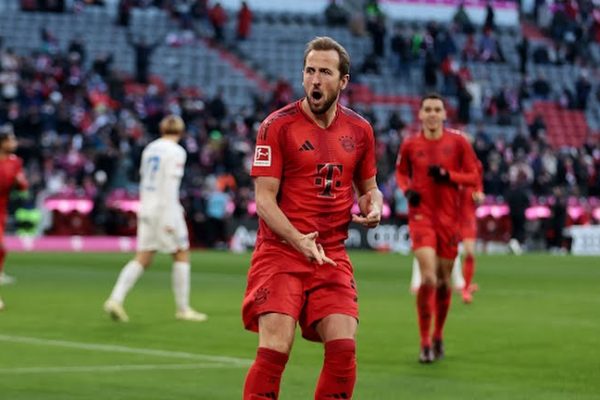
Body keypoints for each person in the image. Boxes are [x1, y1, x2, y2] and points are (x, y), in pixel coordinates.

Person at [242, 36, 382, 400]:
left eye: (325, 72)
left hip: (331, 254)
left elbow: (369, 188)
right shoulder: (276, 126)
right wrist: (297, 239)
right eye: (309, 71)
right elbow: (264, 200)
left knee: (344, 348)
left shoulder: (360, 130)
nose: (315, 80)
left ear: (343, 81)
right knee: (276, 347)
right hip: (280, 252)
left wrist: (374, 206)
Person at [396, 93, 480, 363]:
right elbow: (401, 172)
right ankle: (424, 343)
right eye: (428, 109)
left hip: (449, 220)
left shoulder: (458, 143)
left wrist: (448, 176)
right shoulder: (410, 144)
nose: (432, 114)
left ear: (444, 114)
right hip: (421, 217)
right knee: (429, 278)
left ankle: (438, 335)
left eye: (437, 109)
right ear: (420, 114)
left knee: (444, 282)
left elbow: (474, 176)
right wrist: (407, 191)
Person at [103, 115, 207, 323]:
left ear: (161, 129)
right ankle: (183, 308)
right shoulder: (176, 151)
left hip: (147, 207)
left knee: (143, 256)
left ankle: (115, 299)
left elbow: (143, 177)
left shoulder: (150, 148)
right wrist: (169, 217)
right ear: (181, 131)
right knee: (181, 253)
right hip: (165, 208)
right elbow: (169, 184)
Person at [0, 126, 29, 310]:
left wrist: (21, 182)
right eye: (11, 139)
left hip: (1, 210)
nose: (15, 143)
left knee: (1, 249)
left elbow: (23, 185)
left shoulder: (15, 162)